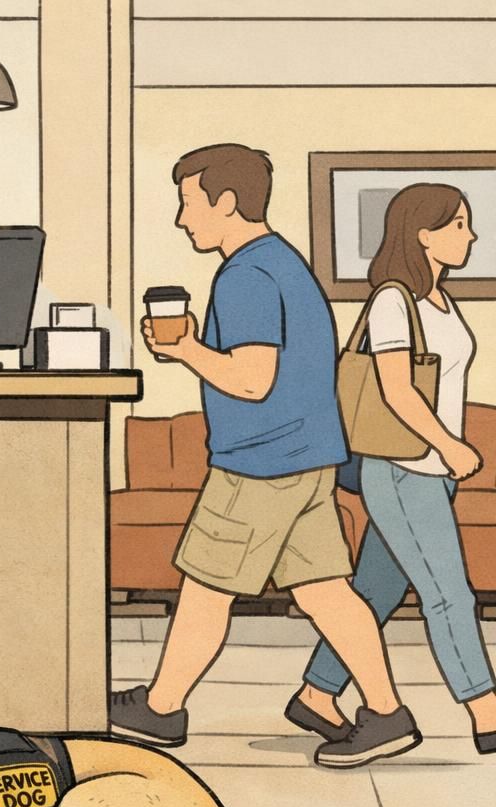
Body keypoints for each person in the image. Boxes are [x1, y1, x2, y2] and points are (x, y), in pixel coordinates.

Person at [108, 143, 419, 769]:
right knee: (327, 591)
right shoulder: (284, 262)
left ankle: (162, 709)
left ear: (226, 201)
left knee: (205, 587)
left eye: (189, 202)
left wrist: (185, 349)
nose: (181, 218)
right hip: (308, 458)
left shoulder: (245, 275)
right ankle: (387, 714)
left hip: (260, 462)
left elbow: (253, 381)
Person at [298, 184, 496, 755]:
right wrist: (449, 446)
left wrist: (446, 457)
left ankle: (316, 692)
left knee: (374, 592)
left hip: (430, 470)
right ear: (423, 233)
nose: (471, 235)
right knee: (448, 595)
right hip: (403, 468)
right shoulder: (393, 300)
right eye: (458, 224)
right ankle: (488, 713)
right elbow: (397, 390)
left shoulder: (439, 300)